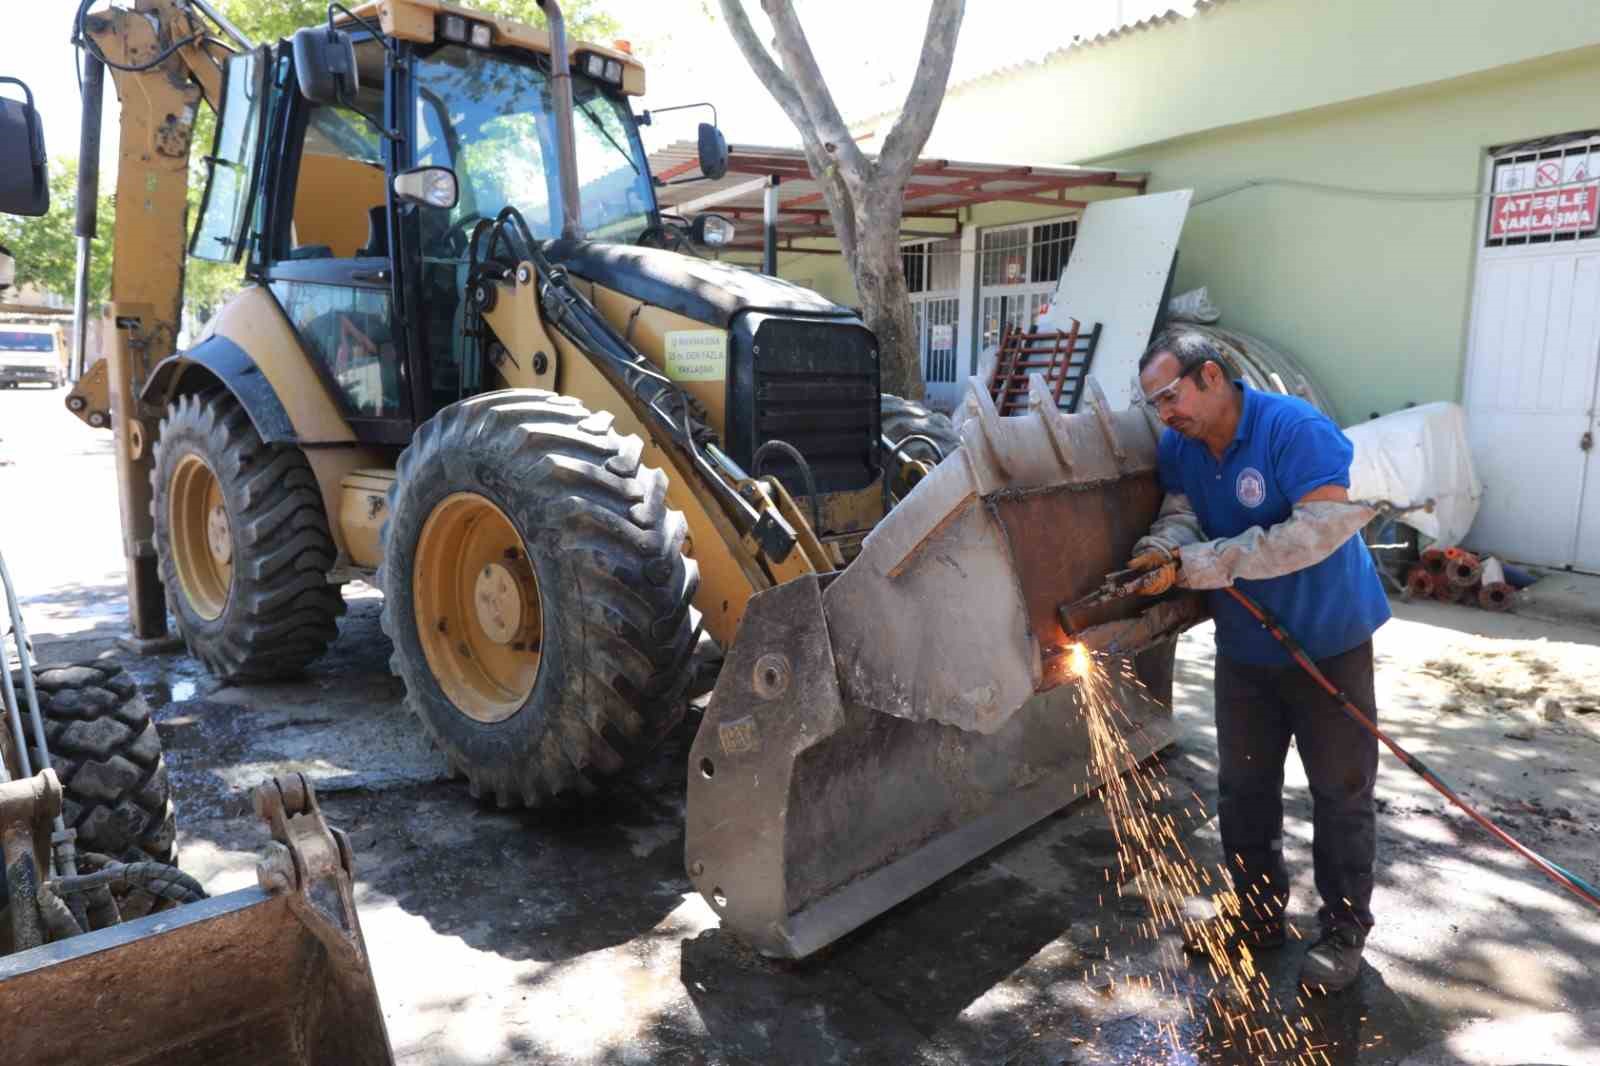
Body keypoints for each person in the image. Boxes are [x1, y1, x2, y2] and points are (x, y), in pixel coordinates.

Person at [1126, 329, 1390, 993]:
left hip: (1328, 642)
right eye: (1154, 404)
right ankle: (1255, 915)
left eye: (1170, 395)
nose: (1166, 413)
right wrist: (1164, 547)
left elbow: (1318, 531)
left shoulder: (1294, 429)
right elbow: (1182, 510)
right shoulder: (1180, 446)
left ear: (1211, 376)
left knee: (1340, 792)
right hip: (1246, 649)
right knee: (1243, 789)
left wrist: (1203, 564)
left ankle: (1343, 929)